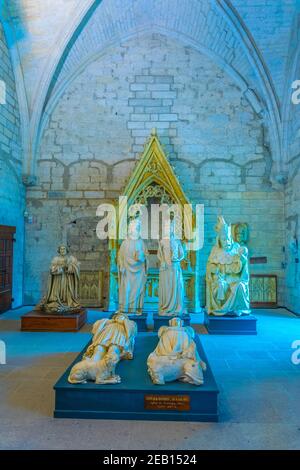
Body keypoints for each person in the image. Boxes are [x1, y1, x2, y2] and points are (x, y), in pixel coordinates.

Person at [206, 216, 251, 316]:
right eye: (225, 240)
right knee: (220, 287)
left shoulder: (236, 248)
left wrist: (242, 259)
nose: (228, 242)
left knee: (240, 286)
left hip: (235, 280)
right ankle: (222, 309)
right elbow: (209, 266)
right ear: (219, 241)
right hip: (221, 279)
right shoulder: (215, 251)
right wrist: (215, 269)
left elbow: (242, 267)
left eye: (229, 239)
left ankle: (238, 308)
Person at [117, 215, 148, 315]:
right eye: (130, 227)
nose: (132, 229)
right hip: (127, 271)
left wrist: (141, 257)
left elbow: (146, 256)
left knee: (136, 289)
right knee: (127, 289)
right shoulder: (125, 243)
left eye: (134, 227)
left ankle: (135, 308)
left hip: (138, 272)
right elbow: (120, 256)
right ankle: (125, 308)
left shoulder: (141, 242)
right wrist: (121, 265)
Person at [38, 244, 81, 313]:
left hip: (68, 280)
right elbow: (52, 269)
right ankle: (57, 302)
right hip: (58, 280)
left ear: (67, 250)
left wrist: (69, 267)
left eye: (64, 249)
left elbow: (77, 268)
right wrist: (60, 268)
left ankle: (66, 301)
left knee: (67, 292)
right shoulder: (56, 259)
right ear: (59, 250)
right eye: (61, 249)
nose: (62, 250)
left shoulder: (71, 258)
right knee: (58, 292)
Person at [158, 219, 186, 316]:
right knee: (167, 287)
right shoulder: (162, 242)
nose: (168, 229)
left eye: (170, 227)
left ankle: (176, 307)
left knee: (176, 286)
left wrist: (178, 258)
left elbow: (182, 254)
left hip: (175, 267)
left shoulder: (177, 241)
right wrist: (162, 262)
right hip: (166, 269)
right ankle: (166, 306)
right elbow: (159, 254)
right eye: (167, 228)